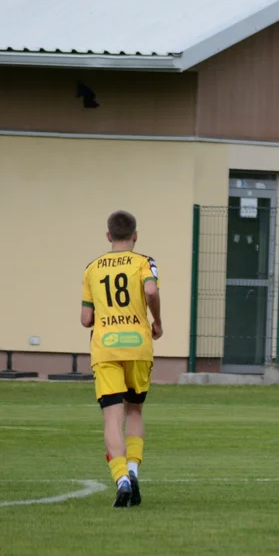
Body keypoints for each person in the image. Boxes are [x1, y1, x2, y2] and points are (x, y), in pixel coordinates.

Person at [80, 210, 162, 508]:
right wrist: (158, 321)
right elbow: (151, 289)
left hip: (107, 349)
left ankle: (121, 480)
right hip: (138, 346)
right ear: (135, 235)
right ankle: (133, 469)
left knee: (112, 420)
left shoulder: (92, 268)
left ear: (108, 236)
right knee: (135, 412)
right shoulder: (144, 262)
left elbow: (85, 318)